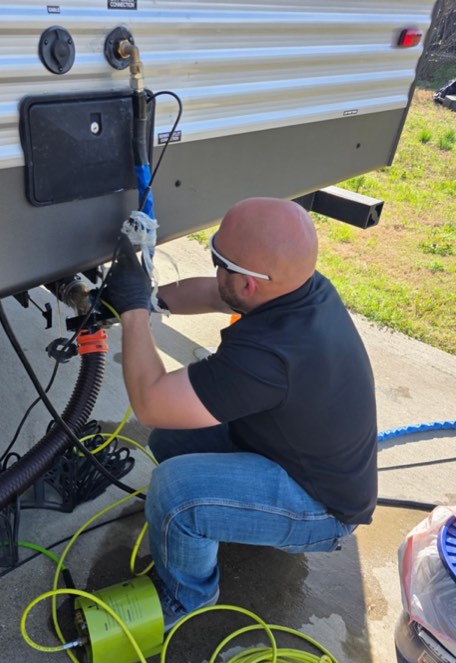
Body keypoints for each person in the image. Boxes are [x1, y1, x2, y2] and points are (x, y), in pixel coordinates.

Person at [102, 197, 378, 629]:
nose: (214, 268)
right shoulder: (301, 288)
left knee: (175, 493)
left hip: (323, 509)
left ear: (249, 284)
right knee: (172, 442)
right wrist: (150, 299)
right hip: (290, 451)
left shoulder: (267, 357)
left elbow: (151, 401)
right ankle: (228, 519)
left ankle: (187, 596)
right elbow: (217, 292)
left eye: (218, 260)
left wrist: (133, 316)